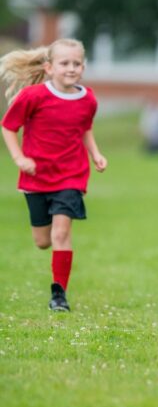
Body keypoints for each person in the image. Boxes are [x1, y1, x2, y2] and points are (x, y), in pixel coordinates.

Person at [0, 38, 106, 311]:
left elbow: (85, 128)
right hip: (36, 178)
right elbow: (8, 126)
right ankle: (56, 282)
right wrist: (19, 158)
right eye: (64, 63)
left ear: (83, 66)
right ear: (49, 68)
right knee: (43, 241)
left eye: (76, 63)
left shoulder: (88, 99)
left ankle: (59, 295)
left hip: (71, 176)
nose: (71, 68)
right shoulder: (32, 96)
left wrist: (95, 154)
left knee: (61, 233)